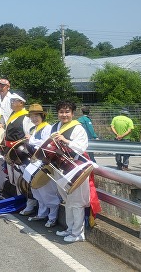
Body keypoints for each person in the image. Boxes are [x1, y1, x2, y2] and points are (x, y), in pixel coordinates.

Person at [52, 100, 94, 243]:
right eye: (61, 112)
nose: (64, 115)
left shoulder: (78, 128)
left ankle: (78, 233)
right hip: (61, 167)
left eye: (67, 112)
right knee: (68, 200)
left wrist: (66, 140)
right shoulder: (56, 126)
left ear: (73, 113)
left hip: (75, 167)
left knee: (76, 201)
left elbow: (82, 147)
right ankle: (70, 229)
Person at [27, 103, 60, 228]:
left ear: (42, 116)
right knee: (37, 189)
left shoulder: (47, 128)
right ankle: (42, 213)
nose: (34, 118)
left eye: (37, 116)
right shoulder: (35, 129)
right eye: (32, 116)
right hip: (35, 162)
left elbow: (47, 144)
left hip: (45, 162)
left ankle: (52, 217)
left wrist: (32, 141)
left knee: (47, 190)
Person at [4, 93, 37, 215]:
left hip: (20, 152)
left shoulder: (26, 117)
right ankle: (20, 202)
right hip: (10, 150)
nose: (11, 102)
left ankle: (29, 204)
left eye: (14, 101)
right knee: (14, 179)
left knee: (23, 178)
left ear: (21, 103)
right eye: (11, 100)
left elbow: (29, 134)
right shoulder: (13, 114)